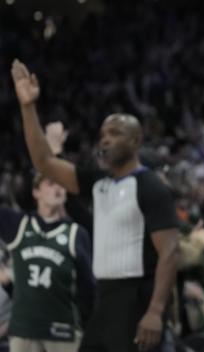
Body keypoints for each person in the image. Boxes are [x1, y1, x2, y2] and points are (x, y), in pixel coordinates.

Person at [10, 60, 180, 352]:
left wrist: (155, 311)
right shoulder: (98, 182)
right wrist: (28, 107)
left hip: (137, 297)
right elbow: (44, 162)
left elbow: (170, 251)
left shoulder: (151, 186)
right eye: (103, 135)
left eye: (115, 133)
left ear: (136, 141)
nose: (105, 140)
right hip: (105, 297)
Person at [0, 174, 95, 352]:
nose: (58, 188)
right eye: (51, 184)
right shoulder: (20, 225)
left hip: (62, 330)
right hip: (24, 330)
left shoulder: (76, 233)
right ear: (36, 192)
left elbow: (87, 287)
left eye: (62, 185)